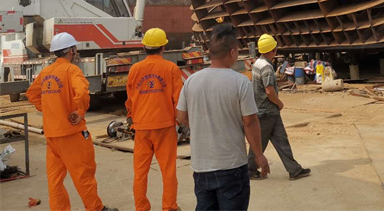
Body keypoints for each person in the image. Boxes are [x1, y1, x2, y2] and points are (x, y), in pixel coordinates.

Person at [175, 23, 269, 211]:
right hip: (231, 166)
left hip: (201, 167)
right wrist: (259, 155)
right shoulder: (240, 82)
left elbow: (181, 117)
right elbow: (250, 123)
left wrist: (202, 124)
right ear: (233, 52)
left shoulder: (191, 81)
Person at [26, 33, 117, 211]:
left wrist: (51, 109)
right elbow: (82, 93)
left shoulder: (46, 72)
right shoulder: (72, 70)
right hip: (71, 133)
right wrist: (79, 112)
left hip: (52, 135)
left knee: (55, 179)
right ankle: (95, 208)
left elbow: (32, 94)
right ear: (71, 51)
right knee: (83, 174)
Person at [125, 28, 183, 211]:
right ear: (163, 47)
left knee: (140, 172)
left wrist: (131, 118)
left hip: (142, 127)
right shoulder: (171, 68)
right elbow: (178, 99)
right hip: (165, 126)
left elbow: (130, 99)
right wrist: (180, 122)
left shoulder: (135, 69)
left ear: (144, 47)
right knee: (168, 170)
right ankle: (169, 206)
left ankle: (141, 207)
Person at [247, 34, 311, 181]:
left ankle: (294, 170)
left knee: (281, 141)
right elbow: (269, 91)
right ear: (273, 50)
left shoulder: (258, 63)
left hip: (267, 111)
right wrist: (279, 103)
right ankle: (249, 170)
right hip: (267, 112)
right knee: (260, 142)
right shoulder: (267, 68)